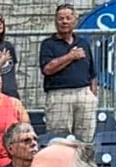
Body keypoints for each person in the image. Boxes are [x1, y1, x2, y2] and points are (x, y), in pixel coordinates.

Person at [39, 4, 98, 141]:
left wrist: (92, 95)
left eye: (68, 18)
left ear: (75, 21)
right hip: (59, 96)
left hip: (84, 95)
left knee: (85, 140)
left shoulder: (83, 43)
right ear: (55, 21)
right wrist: (70, 56)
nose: (64, 21)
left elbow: (92, 73)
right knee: (58, 139)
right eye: (60, 18)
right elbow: (47, 69)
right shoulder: (48, 44)